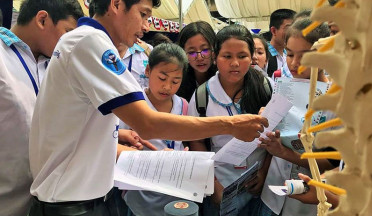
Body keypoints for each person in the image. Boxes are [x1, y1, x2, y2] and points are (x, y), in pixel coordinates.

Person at [28, 1, 268, 216]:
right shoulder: (90, 41)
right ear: (116, 4)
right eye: (143, 14)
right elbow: (148, 123)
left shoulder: (83, 41)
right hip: (73, 202)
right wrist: (231, 124)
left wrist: (121, 140)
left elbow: (81, 127)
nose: (145, 25)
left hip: (81, 196)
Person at [0, 1, 83, 216]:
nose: (70, 43)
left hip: (47, 202)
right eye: (68, 32)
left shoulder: (56, 65)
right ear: (42, 19)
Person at [188, 24, 272, 215]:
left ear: (251, 57)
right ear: (215, 58)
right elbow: (197, 141)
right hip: (220, 184)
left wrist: (264, 172)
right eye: (227, 56)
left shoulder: (266, 88)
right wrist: (213, 183)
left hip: (257, 183)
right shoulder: (202, 96)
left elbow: (276, 136)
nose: (235, 63)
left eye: (242, 56)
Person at [256, 18, 337, 216]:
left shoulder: (337, 102)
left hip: (307, 203)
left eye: (305, 56)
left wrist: (284, 152)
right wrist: (265, 123)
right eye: (290, 54)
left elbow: (333, 162)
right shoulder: (282, 89)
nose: (294, 63)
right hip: (272, 194)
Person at [123, 43, 191, 216]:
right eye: (162, 78)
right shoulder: (133, 105)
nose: (167, 87)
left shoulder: (182, 105)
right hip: (140, 191)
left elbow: (182, 141)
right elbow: (120, 145)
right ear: (147, 71)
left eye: (176, 81)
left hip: (174, 189)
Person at [176, 20, 217, 101]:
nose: (199, 57)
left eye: (205, 50)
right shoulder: (177, 80)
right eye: (192, 52)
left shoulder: (224, 78)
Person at [266, 8, 296, 78]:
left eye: (295, 28)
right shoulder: (264, 55)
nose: (293, 33)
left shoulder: (289, 54)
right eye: (289, 29)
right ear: (273, 31)